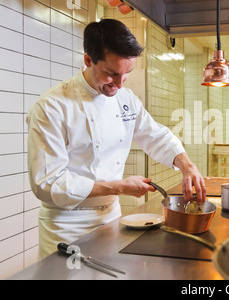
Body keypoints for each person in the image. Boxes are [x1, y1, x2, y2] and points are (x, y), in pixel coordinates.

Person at [27, 18, 206, 259]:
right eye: (111, 74)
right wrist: (118, 186)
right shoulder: (51, 107)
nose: (120, 84)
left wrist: (187, 165)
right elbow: (47, 182)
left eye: (127, 74)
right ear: (88, 60)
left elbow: (154, 135)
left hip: (110, 218)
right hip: (66, 226)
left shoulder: (126, 99)